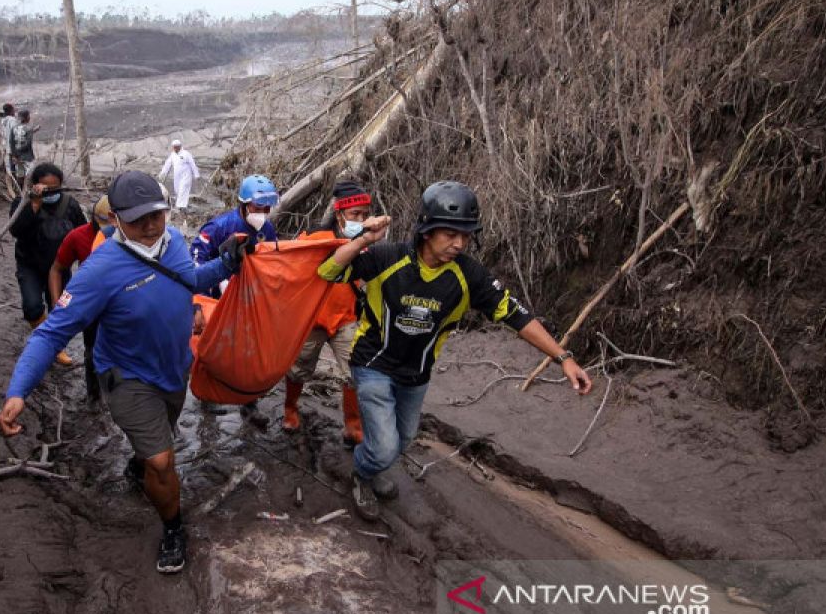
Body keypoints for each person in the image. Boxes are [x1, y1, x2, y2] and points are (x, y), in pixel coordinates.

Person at [0, 171, 254, 574]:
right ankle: (173, 528)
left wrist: (227, 262)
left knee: (156, 447)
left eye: (157, 214)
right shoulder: (99, 271)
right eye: (138, 219)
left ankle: (140, 463)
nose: (151, 226)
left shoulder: (174, 246)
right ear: (115, 218)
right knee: (162, 462)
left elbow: (190, 280)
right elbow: (51, 333)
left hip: (173, 369)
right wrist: (18, 390)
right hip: (128, 377)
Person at [317, 181, 593, 520]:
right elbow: (328, 270)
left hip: (416, 374)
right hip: (373, 363)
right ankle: (363, 473)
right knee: (385, 447)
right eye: (450, 233)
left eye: (466, 235)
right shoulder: (386, 257)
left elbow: (515, 315)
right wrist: (363, 239)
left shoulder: (469, 276)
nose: (459, 243)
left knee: (402, 441)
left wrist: (563, 358)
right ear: (427, 230)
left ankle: (373, 460)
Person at [282, 179, 372, 447]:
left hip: (346, 318)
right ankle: (290, 408)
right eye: (355, 214)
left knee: (354, 372)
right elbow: (287, 265)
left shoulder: (367, 241)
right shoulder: (314, 238)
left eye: (365, 215)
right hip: (313, 318)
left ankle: (353, 425)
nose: (361, 219)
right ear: (339, 214)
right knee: (298, 369)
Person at [9, 163, 87, 367]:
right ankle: (48, 341)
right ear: (35, 185)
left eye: (54, 188)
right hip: (30, 265)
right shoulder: (22, 202)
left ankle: (52, 347)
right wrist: (33, 206)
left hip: (61, 268)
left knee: (59, 310)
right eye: (45, 188)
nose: (50, 192)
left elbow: (83, 234)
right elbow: (15, 231)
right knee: (32, 306)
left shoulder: (70, 205)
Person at [47, 196, 114, 402]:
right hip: (93, 305)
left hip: (121, 303)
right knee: (92, 351)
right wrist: (57, 304)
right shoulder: (78, 237)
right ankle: (94, 398)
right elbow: (57, 269)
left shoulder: (128, 236)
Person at [190, 174, 279, 297]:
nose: (263, 213)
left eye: (267, 209)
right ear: (244, 205)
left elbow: (274, 260)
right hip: (218, 293)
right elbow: (195, 262)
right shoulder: (218, 227)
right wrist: (211, 289)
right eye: (258, 208)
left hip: (250, 291)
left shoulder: (267, 229)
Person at [158, 139, 200, 213]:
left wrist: (196, 174)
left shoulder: (186, 154)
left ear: (179, 146)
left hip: (186, 176)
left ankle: (180, 207)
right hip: (177, 177)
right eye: (173, 147)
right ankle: (181, 206)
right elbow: (167, 164)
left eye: (176, 147)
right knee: (177, 191)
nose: (175, 149)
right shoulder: (172, 155)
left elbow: (192, 164)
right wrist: (162, 173)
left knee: (183, 190)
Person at [10, 109, 38, 186]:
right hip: (27, 156)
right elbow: (28, 144)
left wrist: (14, 154)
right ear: (26, 117)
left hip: (17, 157)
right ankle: (29, 191)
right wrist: (20, 151)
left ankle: (20, 191)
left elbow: (11, 142)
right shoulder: (29, 128)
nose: (30, 117)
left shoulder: (13, 128)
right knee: (30, 174)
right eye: (29, 116)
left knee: (20, 175)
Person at [0, 103, 19, 182]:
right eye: (14, 110)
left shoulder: (3, 121)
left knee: (10, 168)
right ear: (11, 111)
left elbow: (2, 134)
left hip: (6, 148)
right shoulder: (12, 120)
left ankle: (12, 184)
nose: (15, 111)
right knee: (16, 169)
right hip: (13, 148)